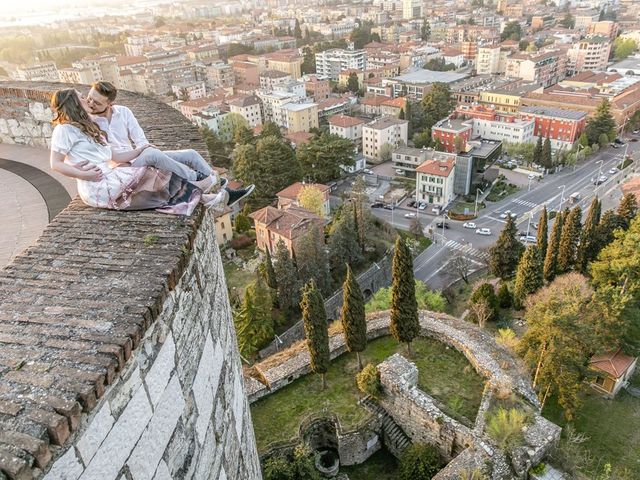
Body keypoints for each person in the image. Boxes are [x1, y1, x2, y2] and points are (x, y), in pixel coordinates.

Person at [48, 88, 247, 215]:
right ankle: (204, 185)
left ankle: (209, 197)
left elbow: (114, 155)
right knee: (154, 174)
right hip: (98, 185)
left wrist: (141, 148)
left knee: (167, 170)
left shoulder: (90, 126)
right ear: (74, 104)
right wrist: (83, 174)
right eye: (82, 98)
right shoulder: (64, 129)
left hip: (113, 173)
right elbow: (55, 163)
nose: (87, 101)